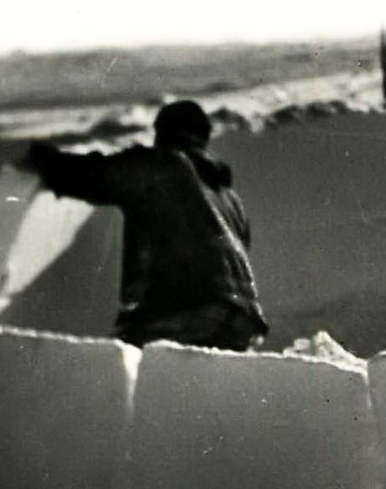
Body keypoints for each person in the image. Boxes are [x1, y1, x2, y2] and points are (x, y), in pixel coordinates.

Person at [20, 100, 268, 351]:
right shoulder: (230, 198)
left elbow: (98, 176)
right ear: (204, 138)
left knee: (122, 366)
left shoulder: (162, 164)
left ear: (161, 133)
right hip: (244, 322)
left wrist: (45, 161)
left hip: (192, 310)